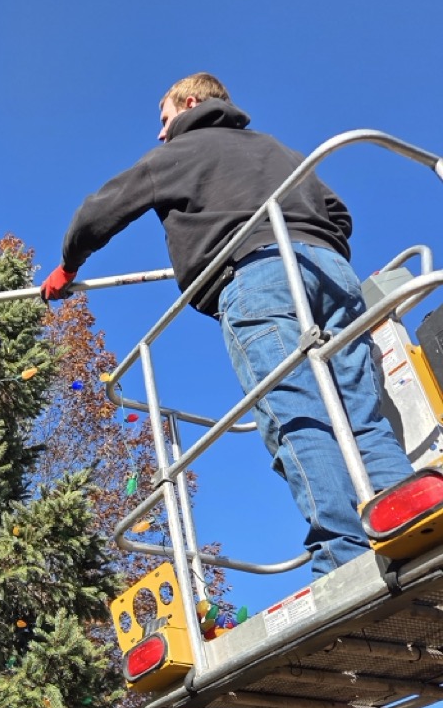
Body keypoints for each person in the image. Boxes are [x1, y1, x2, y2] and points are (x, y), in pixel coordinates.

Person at [42, 72, 415, 577]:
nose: (159, 131)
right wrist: (313, 243)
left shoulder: (177, 154)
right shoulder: (273, 148)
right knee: (363, 416)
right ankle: (412, 527)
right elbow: (337, 212)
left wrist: (68, 265)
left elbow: (99, 211)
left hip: (259, 277)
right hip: (331, 273)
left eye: (165, 117)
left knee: (299, 416)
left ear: (190, 103)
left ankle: (344, 560)